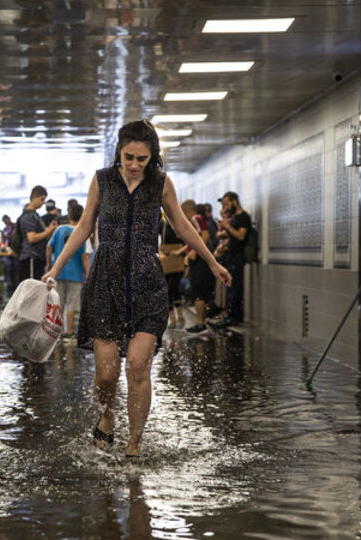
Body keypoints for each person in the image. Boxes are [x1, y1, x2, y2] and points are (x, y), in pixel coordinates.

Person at [43, 120, 231, 459]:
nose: (133, 165)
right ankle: (106, 415)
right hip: (105, 281)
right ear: (119, 151)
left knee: (139, 365)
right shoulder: (102, 181)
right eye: (128, 156)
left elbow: (183, 226)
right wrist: (55, 268)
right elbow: (85, 226)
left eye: (141, 159)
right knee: (106, 373)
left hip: (147, 281)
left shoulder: (160, 184)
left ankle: (134, 446)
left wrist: (213, 263)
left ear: (152, 157)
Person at [46, 203, 90, 338]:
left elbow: (49, 247)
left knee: (58, 304)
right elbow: (85, 257)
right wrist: (88, 274)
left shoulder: (59, 230)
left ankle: (56, 333)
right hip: (75, 275)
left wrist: (49, 265)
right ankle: (69, 333)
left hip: (58, 273)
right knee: (72, 305)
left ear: (69, 215)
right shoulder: (82, 233)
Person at [211, 191, 251, 328]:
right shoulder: (234, 218)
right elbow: (228, 236)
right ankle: (229, 314)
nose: (226, 208)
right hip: (230, 256)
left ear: (234, 202)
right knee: (230, 288)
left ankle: (235, 316)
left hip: (238, 257)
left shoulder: (243, 217)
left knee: (235, 288)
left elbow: (240, 236)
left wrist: (227, 227)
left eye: (226, 205)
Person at [181, 199, 215, 335]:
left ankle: (201, 323)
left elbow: (205, 236)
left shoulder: (196, 218)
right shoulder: (198, 219)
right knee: (199, 291)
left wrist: (194, 252)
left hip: (199, 261)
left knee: (198, 291)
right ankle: (201, 322)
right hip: (199, 260)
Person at [18, 186, 58, 281]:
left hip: (37, 258)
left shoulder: (35, 215)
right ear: (35, 197)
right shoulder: (28, 216)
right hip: (31, 258)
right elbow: (31, 238)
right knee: (32, 289)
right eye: (42, 199)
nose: (43, 203)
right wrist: (49, 231)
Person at [159, 212, 186, 329]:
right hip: (166, 259)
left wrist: (179, 252)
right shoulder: (162, 225)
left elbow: (188, 242)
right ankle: (173, 318)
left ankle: (179, 316)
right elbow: (155, 241)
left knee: (173, 287)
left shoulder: (180, 223)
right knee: (168, 289)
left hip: (178, 259)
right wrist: (160, 253)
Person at [1, 215, 18, 298]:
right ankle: (9, 284)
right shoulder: (5, 229)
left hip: (14, 251)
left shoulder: (14, 227)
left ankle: (13, 285)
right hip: (7, 251)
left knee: (13, 267)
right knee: (7, 265)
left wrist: (7, 237)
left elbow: (15, 238)